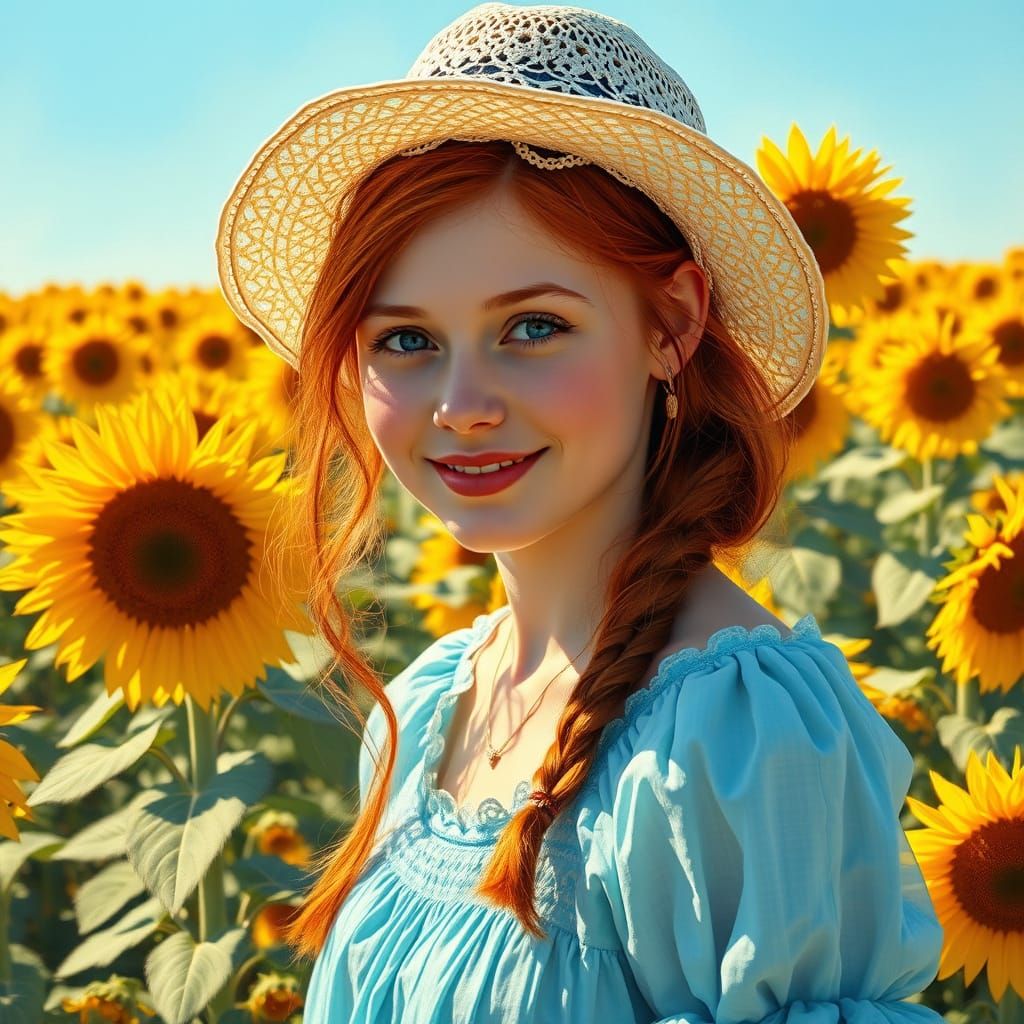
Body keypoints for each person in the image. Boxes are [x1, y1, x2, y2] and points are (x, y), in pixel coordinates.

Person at [216, 4, 946, 1021]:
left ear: (672, 324)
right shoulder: (428, 708)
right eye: (406, 342)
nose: (461, 403)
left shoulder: (733, 735)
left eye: (532, 326)